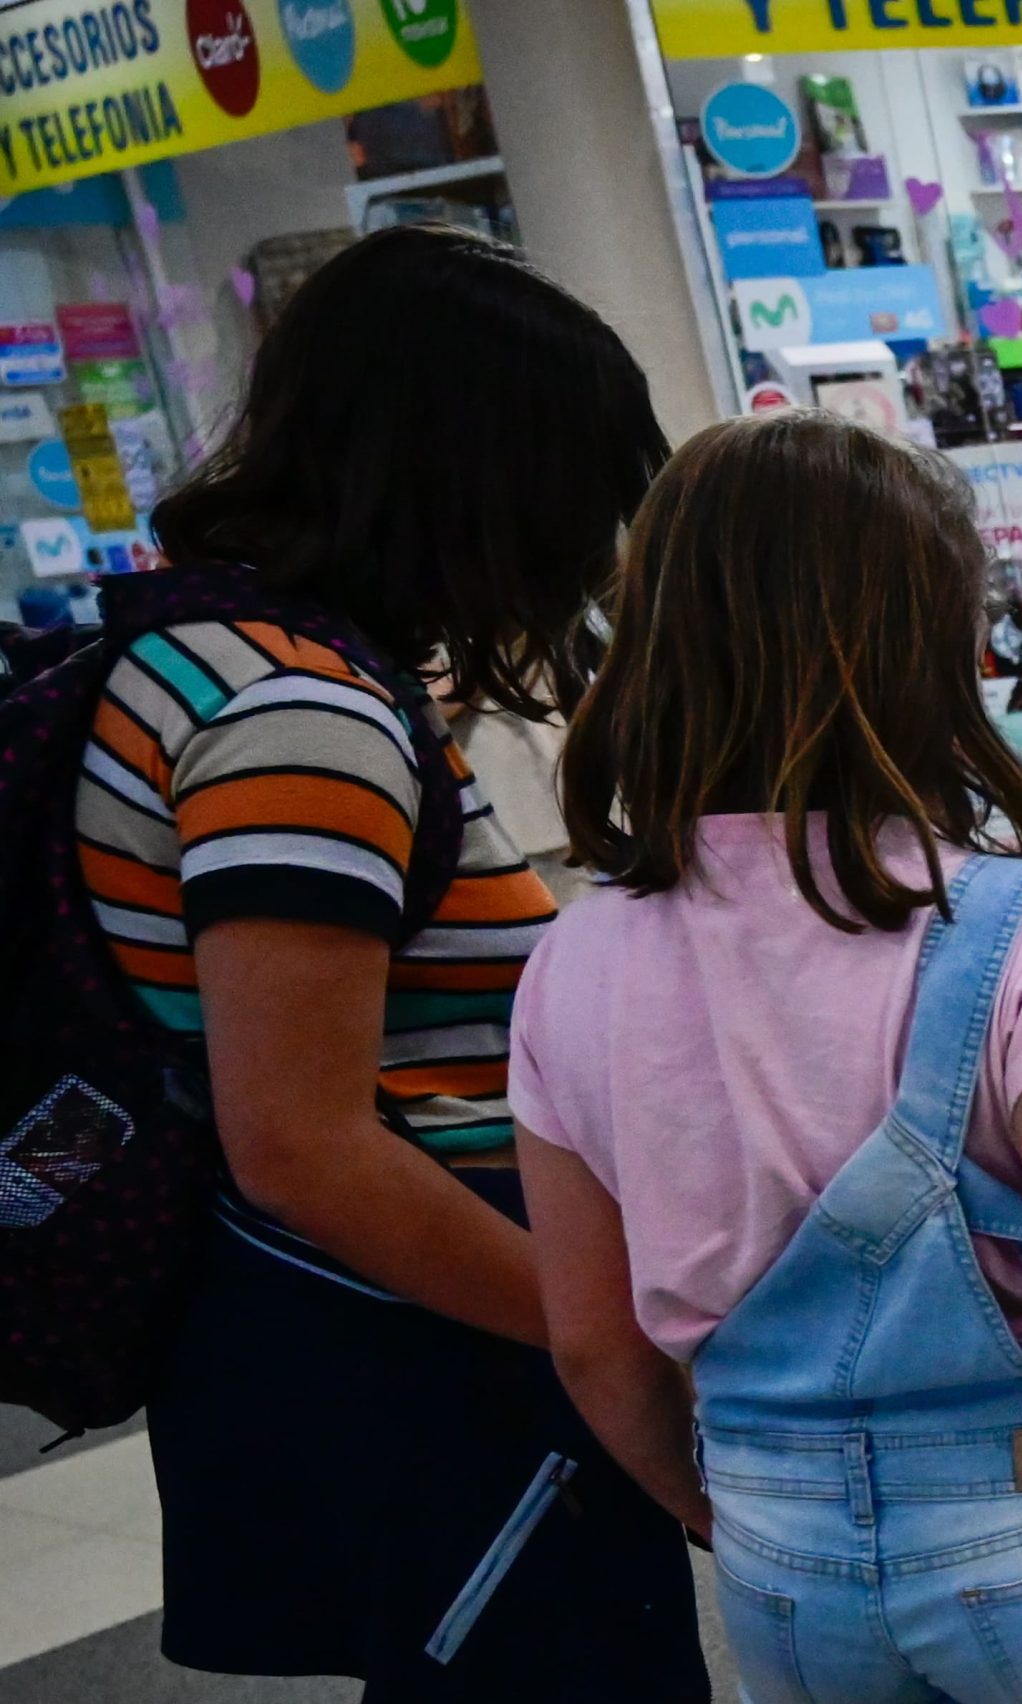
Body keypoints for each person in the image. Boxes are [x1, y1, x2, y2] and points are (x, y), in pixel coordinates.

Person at [513, 410, 1022, 1703]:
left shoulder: (570, 967)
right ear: (928, 647)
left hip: (783, 1566)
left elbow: (595, 1346)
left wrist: (748, 1522)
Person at [82, 226, 705, 1700]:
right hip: (433, 1366)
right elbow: (302, 1143)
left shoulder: (223, 657)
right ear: (476, 475)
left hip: (402, 1349)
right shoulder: (300, 716)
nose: (584, 551)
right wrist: (598, 1341)